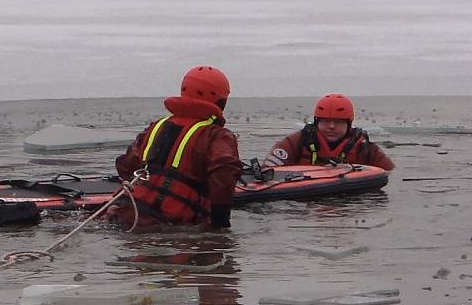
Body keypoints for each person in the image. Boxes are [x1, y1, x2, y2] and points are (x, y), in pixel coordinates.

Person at [112, 66, 243, 229]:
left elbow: (126, 166)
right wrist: (221, 223)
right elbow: (224, 176)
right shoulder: (216, 135)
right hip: (169, 222)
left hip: (125, 212)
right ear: (221, 101)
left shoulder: (156, 127)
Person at [264, 93, 395, 170]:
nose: (331, 127)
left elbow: (389, 173)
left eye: (338, 122)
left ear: (349, 124)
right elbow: (268, 170)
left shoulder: (366, 149)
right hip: (305, 204)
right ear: (317, 123)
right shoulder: (296, 142)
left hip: (349, 203)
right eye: (325, 121)